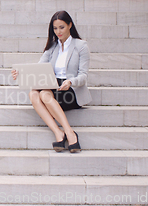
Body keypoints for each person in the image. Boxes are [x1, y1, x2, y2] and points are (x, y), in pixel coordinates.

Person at [11, 10, 92, 153]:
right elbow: (39, 68)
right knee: (34, 94)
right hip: (53, 86)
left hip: (70, 90)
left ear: (70, 25)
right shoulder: (52, 47)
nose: (58, 32)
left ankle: (70, 133)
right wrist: (20, 73)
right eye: (55, 28)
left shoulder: (81, 46)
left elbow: (83, 76)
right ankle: (59, 132)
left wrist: (70, 82)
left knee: (44, 95)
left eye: (62, 27)